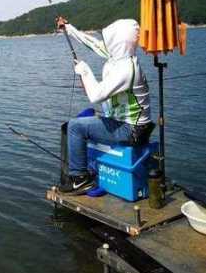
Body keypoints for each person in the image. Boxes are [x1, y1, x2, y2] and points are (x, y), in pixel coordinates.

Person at [56, 16, 153, 194]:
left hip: (131, 130)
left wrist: (84, 70)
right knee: (87, 119)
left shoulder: (126, 70)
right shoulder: (122, 57)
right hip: (131, 125)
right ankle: (87, 168)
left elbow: (95, 95)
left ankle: (80, 178)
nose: (106, 44)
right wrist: (69, 28)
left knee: (75, 127)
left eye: (110, 40)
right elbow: (94, 44)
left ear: (118, 42)